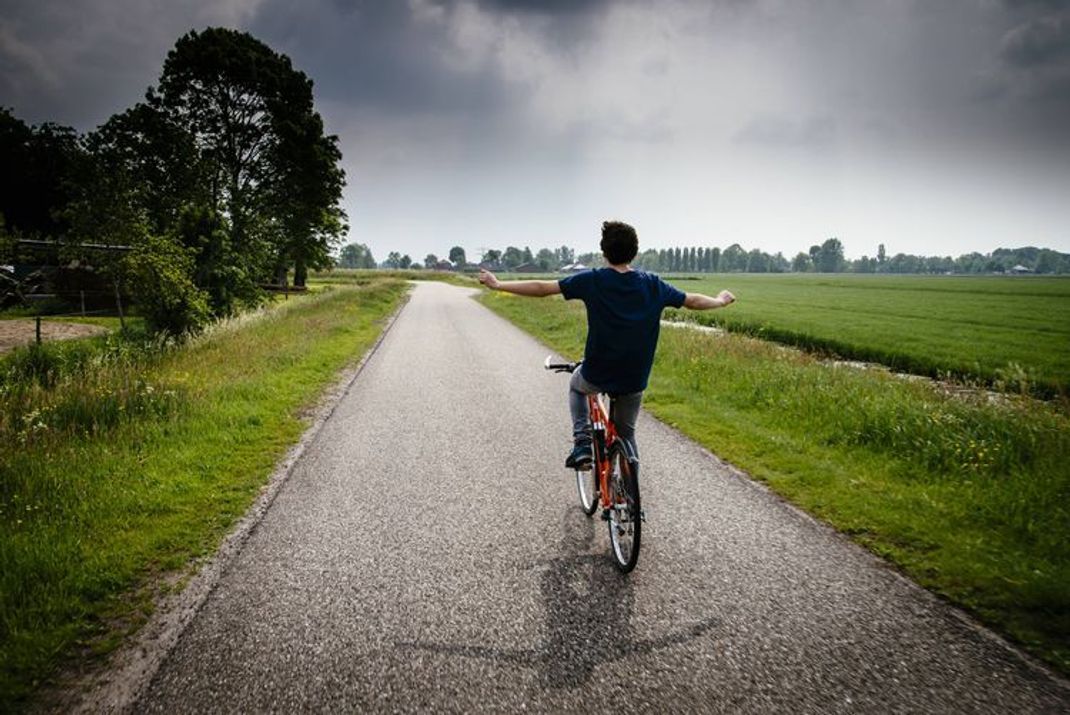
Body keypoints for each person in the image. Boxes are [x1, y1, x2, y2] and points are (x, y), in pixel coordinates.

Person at [478, 220, 735, 468]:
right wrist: (720, 301)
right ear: (634, 252)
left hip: (598, 372)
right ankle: (632, 498)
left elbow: (542, 287)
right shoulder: (653, 285)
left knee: (577, 387)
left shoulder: (593, 280)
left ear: (604, 252)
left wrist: (498, 284)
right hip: (635, 376)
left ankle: (582, 443)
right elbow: (693, 301)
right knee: (626, 434)